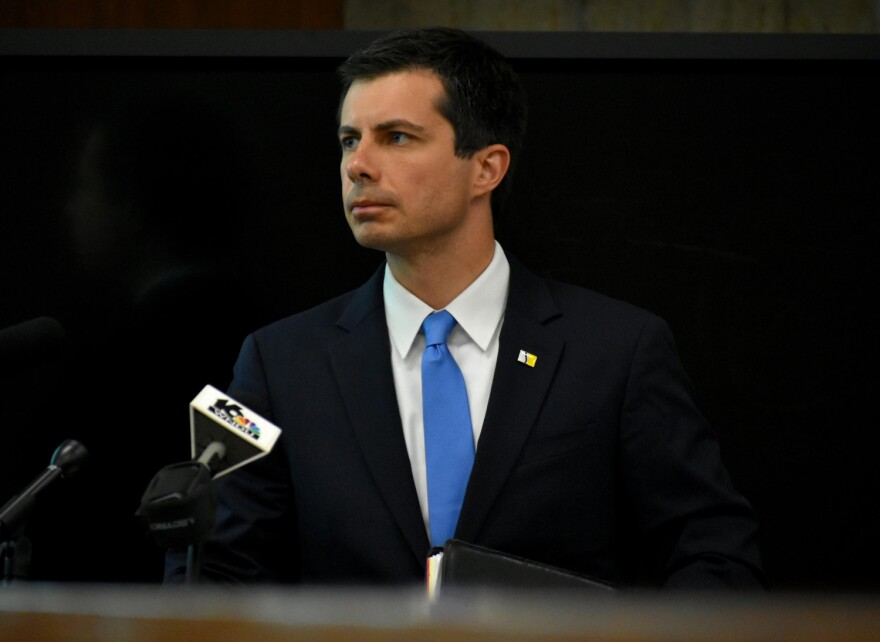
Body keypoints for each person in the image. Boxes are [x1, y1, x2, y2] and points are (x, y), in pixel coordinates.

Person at [166, 27, 764, 588]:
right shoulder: (279, 363)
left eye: (396, 137)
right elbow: (220, 570)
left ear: (486, 168)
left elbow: (713, 552)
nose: (357, 165)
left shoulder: (616, 350)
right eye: (350, 140)